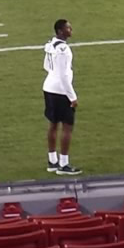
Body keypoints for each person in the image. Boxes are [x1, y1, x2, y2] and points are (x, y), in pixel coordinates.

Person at [43, 18, 81, 175]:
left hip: (48, 87)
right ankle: (64, 164)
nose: (70, 30)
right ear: (60, 31)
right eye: (68, 28)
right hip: (60, 91)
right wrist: (72, 97)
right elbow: (64, 77)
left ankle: (52, 161)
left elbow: (45, 65)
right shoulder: (64, 49)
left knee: (53, 124)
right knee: (67, 127)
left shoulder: (50, 44)